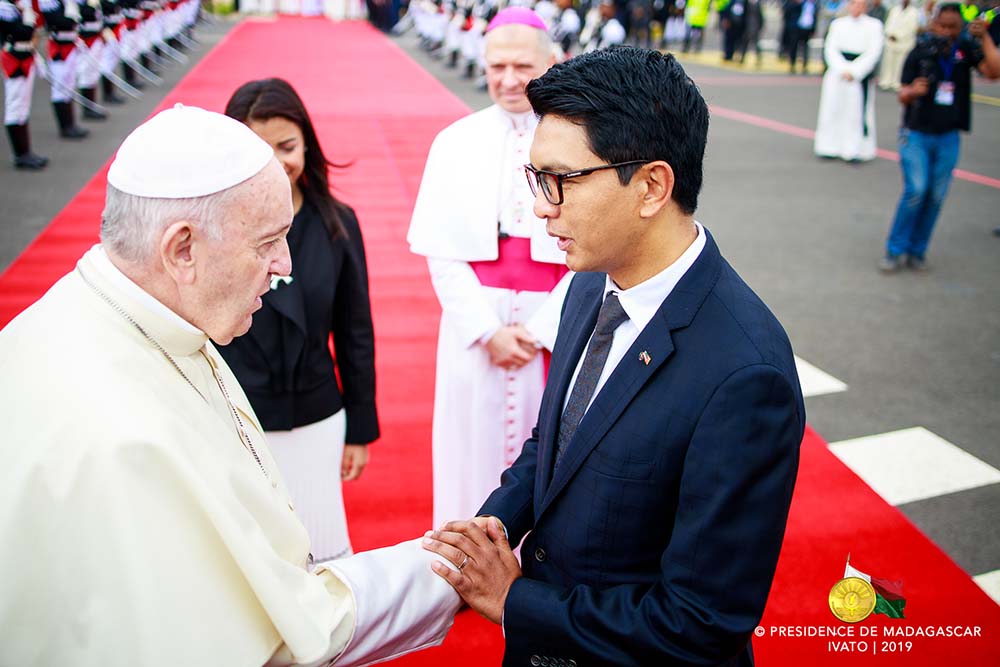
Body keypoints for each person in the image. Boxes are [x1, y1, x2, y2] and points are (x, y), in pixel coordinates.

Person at [0, 104, 461, 666]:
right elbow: (271, 638)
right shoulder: (123, 439)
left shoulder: (128, 314)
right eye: (267, 241)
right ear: (182, 249)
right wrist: (452, 571)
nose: (284, 264)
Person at [423, 46, 805, 666]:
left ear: (652, 185)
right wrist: (489, 531)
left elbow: (701, 624)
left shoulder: (745, 372)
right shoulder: (589, 280)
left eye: (562, 181)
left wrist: (517, 601)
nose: (541, 206)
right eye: (535, 177)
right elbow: (556, 439)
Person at [407, 7, 572, 532]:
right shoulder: (456, 140)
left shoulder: (581, 140)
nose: (508, 80)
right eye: (496, 66)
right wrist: (486, 330)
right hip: (474, 322)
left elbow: (595, 252)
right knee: (467, 443)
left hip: (554, 318)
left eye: (522, 66)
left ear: (553, 61)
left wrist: (541, 330)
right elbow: (441, 250)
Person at [218, 78, 379, 565]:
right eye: (255, 148)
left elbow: (355, 333)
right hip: (232, 418)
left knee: (320, 552)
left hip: (317, 415)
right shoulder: (211, 228)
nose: (274, 162)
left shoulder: (339, 223)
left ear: (307, 142)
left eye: (286, 146)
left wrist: (360, 428)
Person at [880, 3, 999, 271]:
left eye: (952, 28)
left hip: (948, 135)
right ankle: (894, 249)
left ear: (960, 28)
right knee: (916, 191)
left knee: (935, 196)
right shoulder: (920, 51)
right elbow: (901, 93)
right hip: (916, 133)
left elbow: (993, 71)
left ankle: (917, 251)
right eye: (941, 26)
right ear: (933, 23)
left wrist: (984, 37)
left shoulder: (965, 49)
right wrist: (912, 92)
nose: (946, 32)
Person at [814, 0, 884, 161]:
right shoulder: (838, 24)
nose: (856, 7)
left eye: (859, 4)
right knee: (832, 110)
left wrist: (855, 71)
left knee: (856, 113)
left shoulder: (874, 26)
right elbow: (830, 48)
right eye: (853, 3)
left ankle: (854, 149)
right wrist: (841, 68)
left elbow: (874, 52)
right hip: (838, 73)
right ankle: (829, 146)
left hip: (858, 75)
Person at [1, 0, 48, 169]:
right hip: (14, 58)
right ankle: (20, 155)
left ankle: (26, 151)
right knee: (15, 106)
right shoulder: (4, 7)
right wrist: (28, 20)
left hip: (26, 55)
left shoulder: (18, 5)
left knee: (23, 106)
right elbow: (21, 32)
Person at [879, 0, 921, 91]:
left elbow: (911, 28)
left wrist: (898, 36)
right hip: (891, 41)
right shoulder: (895, 10)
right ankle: (886, 82)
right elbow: (888, 23)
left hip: (904, 43)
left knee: (900, 64)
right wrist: (890, 34)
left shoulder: (914, 12)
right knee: (888, 63)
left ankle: (896, 83)